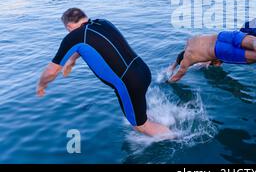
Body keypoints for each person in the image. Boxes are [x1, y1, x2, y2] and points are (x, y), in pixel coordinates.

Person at [36, 8, 172, 138]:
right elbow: (88, 44)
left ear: (69, 26)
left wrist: (41, 85)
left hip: (129, 83)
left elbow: (52, 71)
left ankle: (178, 139)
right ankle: (162, 125)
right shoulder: (103, 22)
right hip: (142, 70)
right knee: (140, 113)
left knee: (141, 126)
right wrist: (71, 61)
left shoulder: (74, 36)